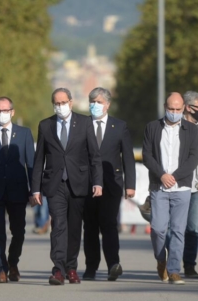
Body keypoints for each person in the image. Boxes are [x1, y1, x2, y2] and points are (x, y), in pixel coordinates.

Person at [31, 87, 103, 286]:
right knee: (58, 226)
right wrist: (35, 189)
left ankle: (71, 267)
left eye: (63, 102)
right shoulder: (45, 125)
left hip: (79, 183)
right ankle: (58, 270)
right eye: (57, 103)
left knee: (74, 228)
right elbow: (39, 160)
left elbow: (94, 156)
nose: (60, 106)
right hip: (55, 185)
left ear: (71, 102)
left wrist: (97, 182)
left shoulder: (85, 123)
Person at [143, 92, 198, 285]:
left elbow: (194, 158)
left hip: (182, 187)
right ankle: (161, 260)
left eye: (178, 109)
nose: (174, 112)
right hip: (159, 186)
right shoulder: (152, 127)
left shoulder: (191, 130)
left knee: (178, 230)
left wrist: (175, 176)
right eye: (170, 109)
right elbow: (147, 155)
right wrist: (162, 175)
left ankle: (174, 270)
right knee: (158, 229)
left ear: (183, 108)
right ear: (165, 107)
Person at [82, 87, 136, 281]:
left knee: (109, 225)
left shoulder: (119, 126)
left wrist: (130, 184)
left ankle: (113, 264)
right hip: (86, 185)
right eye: (92, 101)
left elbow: (128, 157)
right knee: (90, 227)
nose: (95, 105)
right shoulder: (82, 124)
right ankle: (91, 267)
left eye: (99, 102)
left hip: (111, 184)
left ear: (107, 104)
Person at [0, 97, 35, 283]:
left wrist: (35, 190)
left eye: (5, 110)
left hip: (18, 190)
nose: (1, 114)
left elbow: (31, 164)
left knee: (18, 232)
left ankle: (12, 262)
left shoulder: (24, 134)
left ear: (12, 112)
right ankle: (1, 269)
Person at [180, 90, 198, 278]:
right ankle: (169, 262)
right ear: (189, 108)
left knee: (192, 228)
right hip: (176, 184)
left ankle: (189, 265)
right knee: (172, 227)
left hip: (196, 185)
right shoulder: (174, 124)